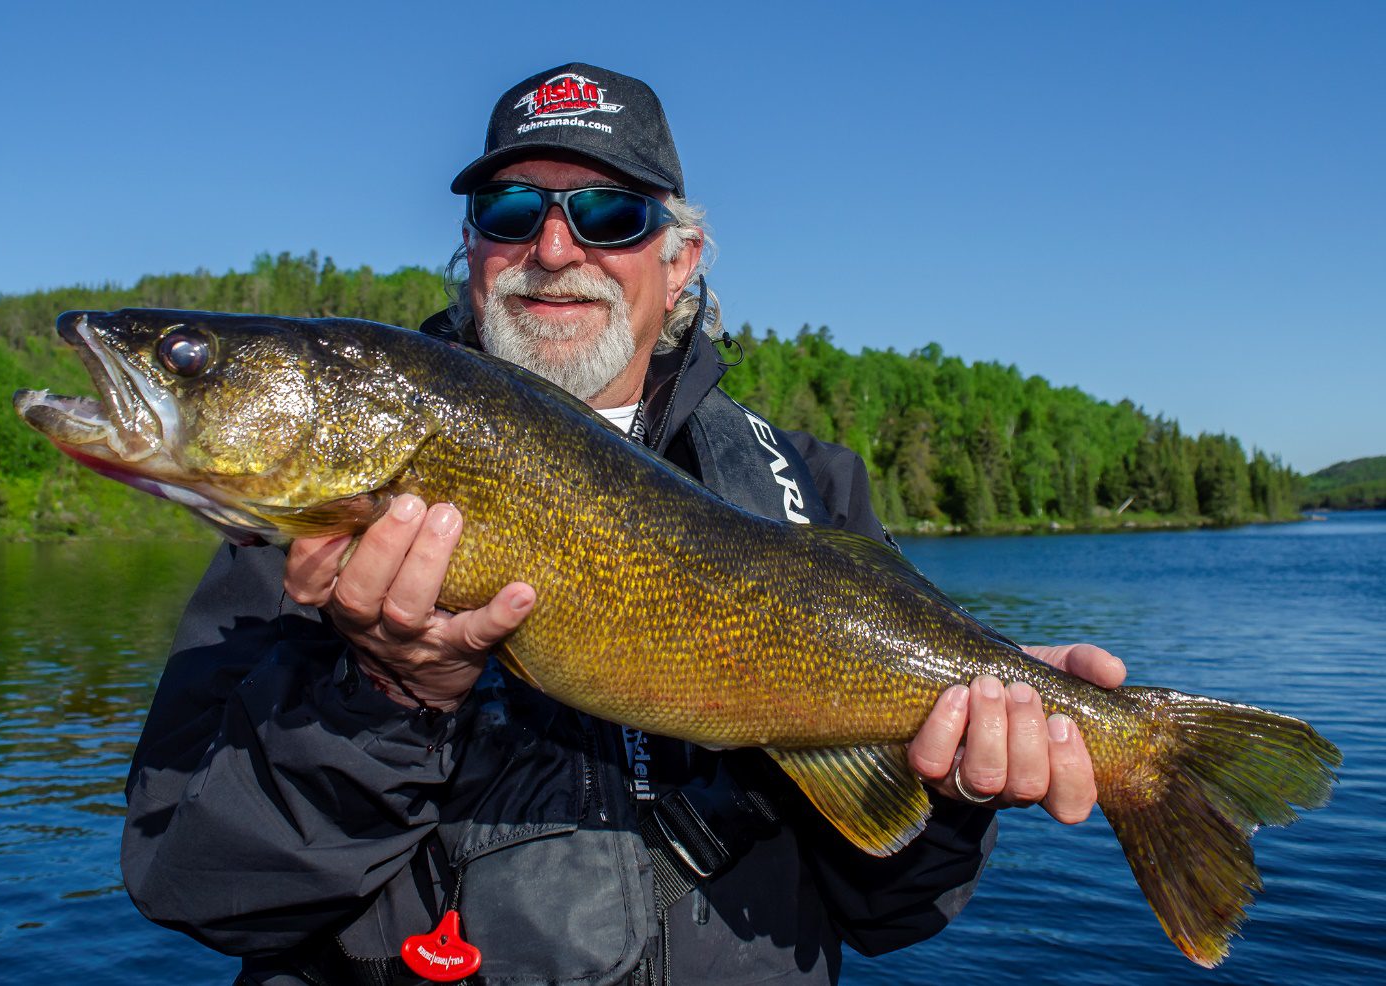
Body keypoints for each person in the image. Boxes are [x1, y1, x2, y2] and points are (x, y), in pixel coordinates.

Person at [121, 63, 1128, 986]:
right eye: (510, 210)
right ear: (470, 249)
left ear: (680, 260)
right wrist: (381, 700)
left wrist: (953, 783)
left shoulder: (813, 488)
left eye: (610, 214)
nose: (554, 248)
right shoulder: (307, 531)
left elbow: (894, 910)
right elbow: (198, 887)